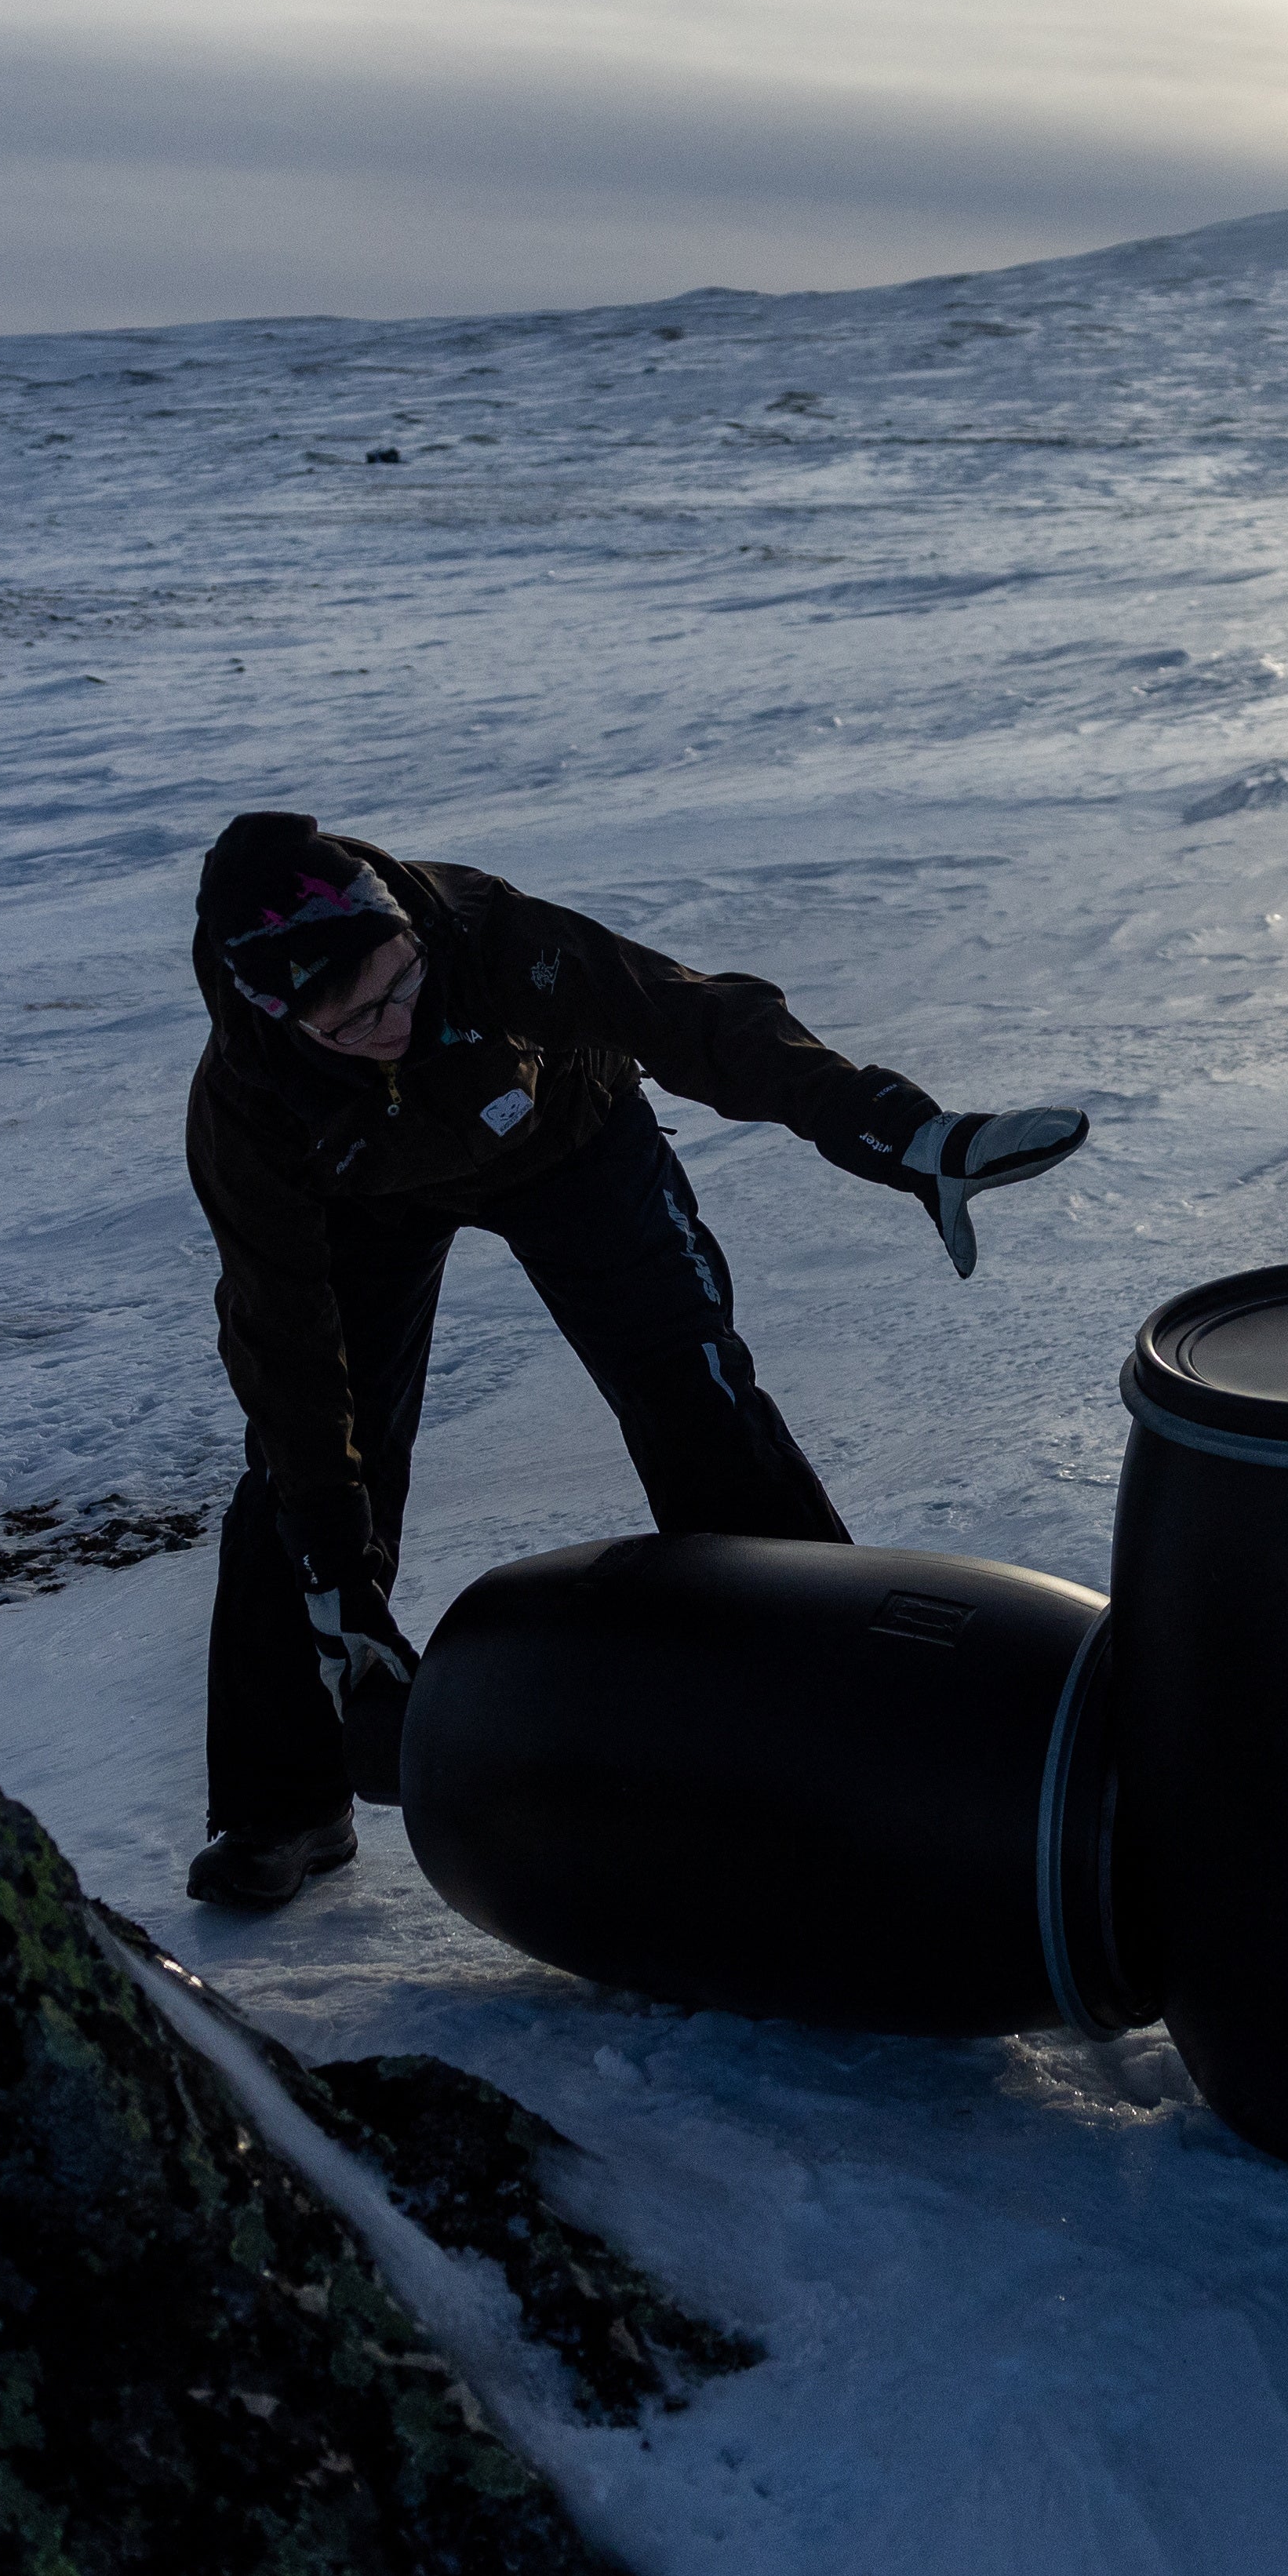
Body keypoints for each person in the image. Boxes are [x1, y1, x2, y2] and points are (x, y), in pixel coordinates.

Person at [179, 809, 1089, 1908]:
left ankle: (840, 1722)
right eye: (353, 1020)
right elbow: (282, 1341)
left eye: (399, 983)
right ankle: (289, 1802)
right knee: (305, 1467)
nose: (394, 1021)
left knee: (694, 1393)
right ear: (280, 1016)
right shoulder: (249, 1102)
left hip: (565, 1139)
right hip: (361, 1193)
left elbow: (696, 1019)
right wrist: (337, 1573)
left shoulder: (490, 940)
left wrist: (891, 1125)